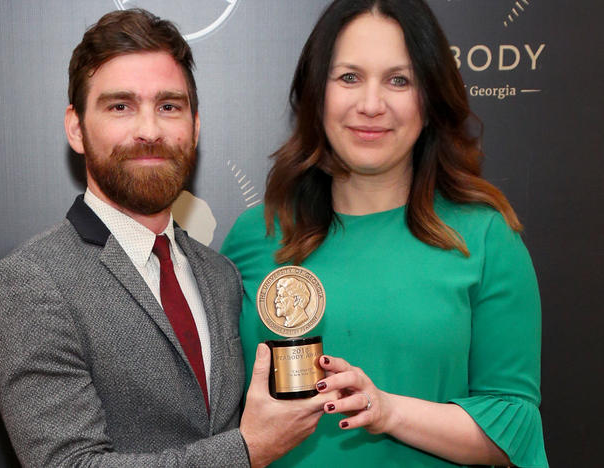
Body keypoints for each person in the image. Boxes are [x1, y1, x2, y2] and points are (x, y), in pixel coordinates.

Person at [0, 9, 327, 467]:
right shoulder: (30, 284)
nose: (149, 130)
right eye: (120, 106)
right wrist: (247, 451)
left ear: (195, 127)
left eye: (169, 106)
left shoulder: (220, 275)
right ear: (76, 127)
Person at [221, 0, 548, 466]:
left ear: (430, 98)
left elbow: (512, 424)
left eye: (399, 80)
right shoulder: (257, 234)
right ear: (317, 94)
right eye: (349, 77)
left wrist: (388, 410)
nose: (371, 105)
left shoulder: (486, 236)